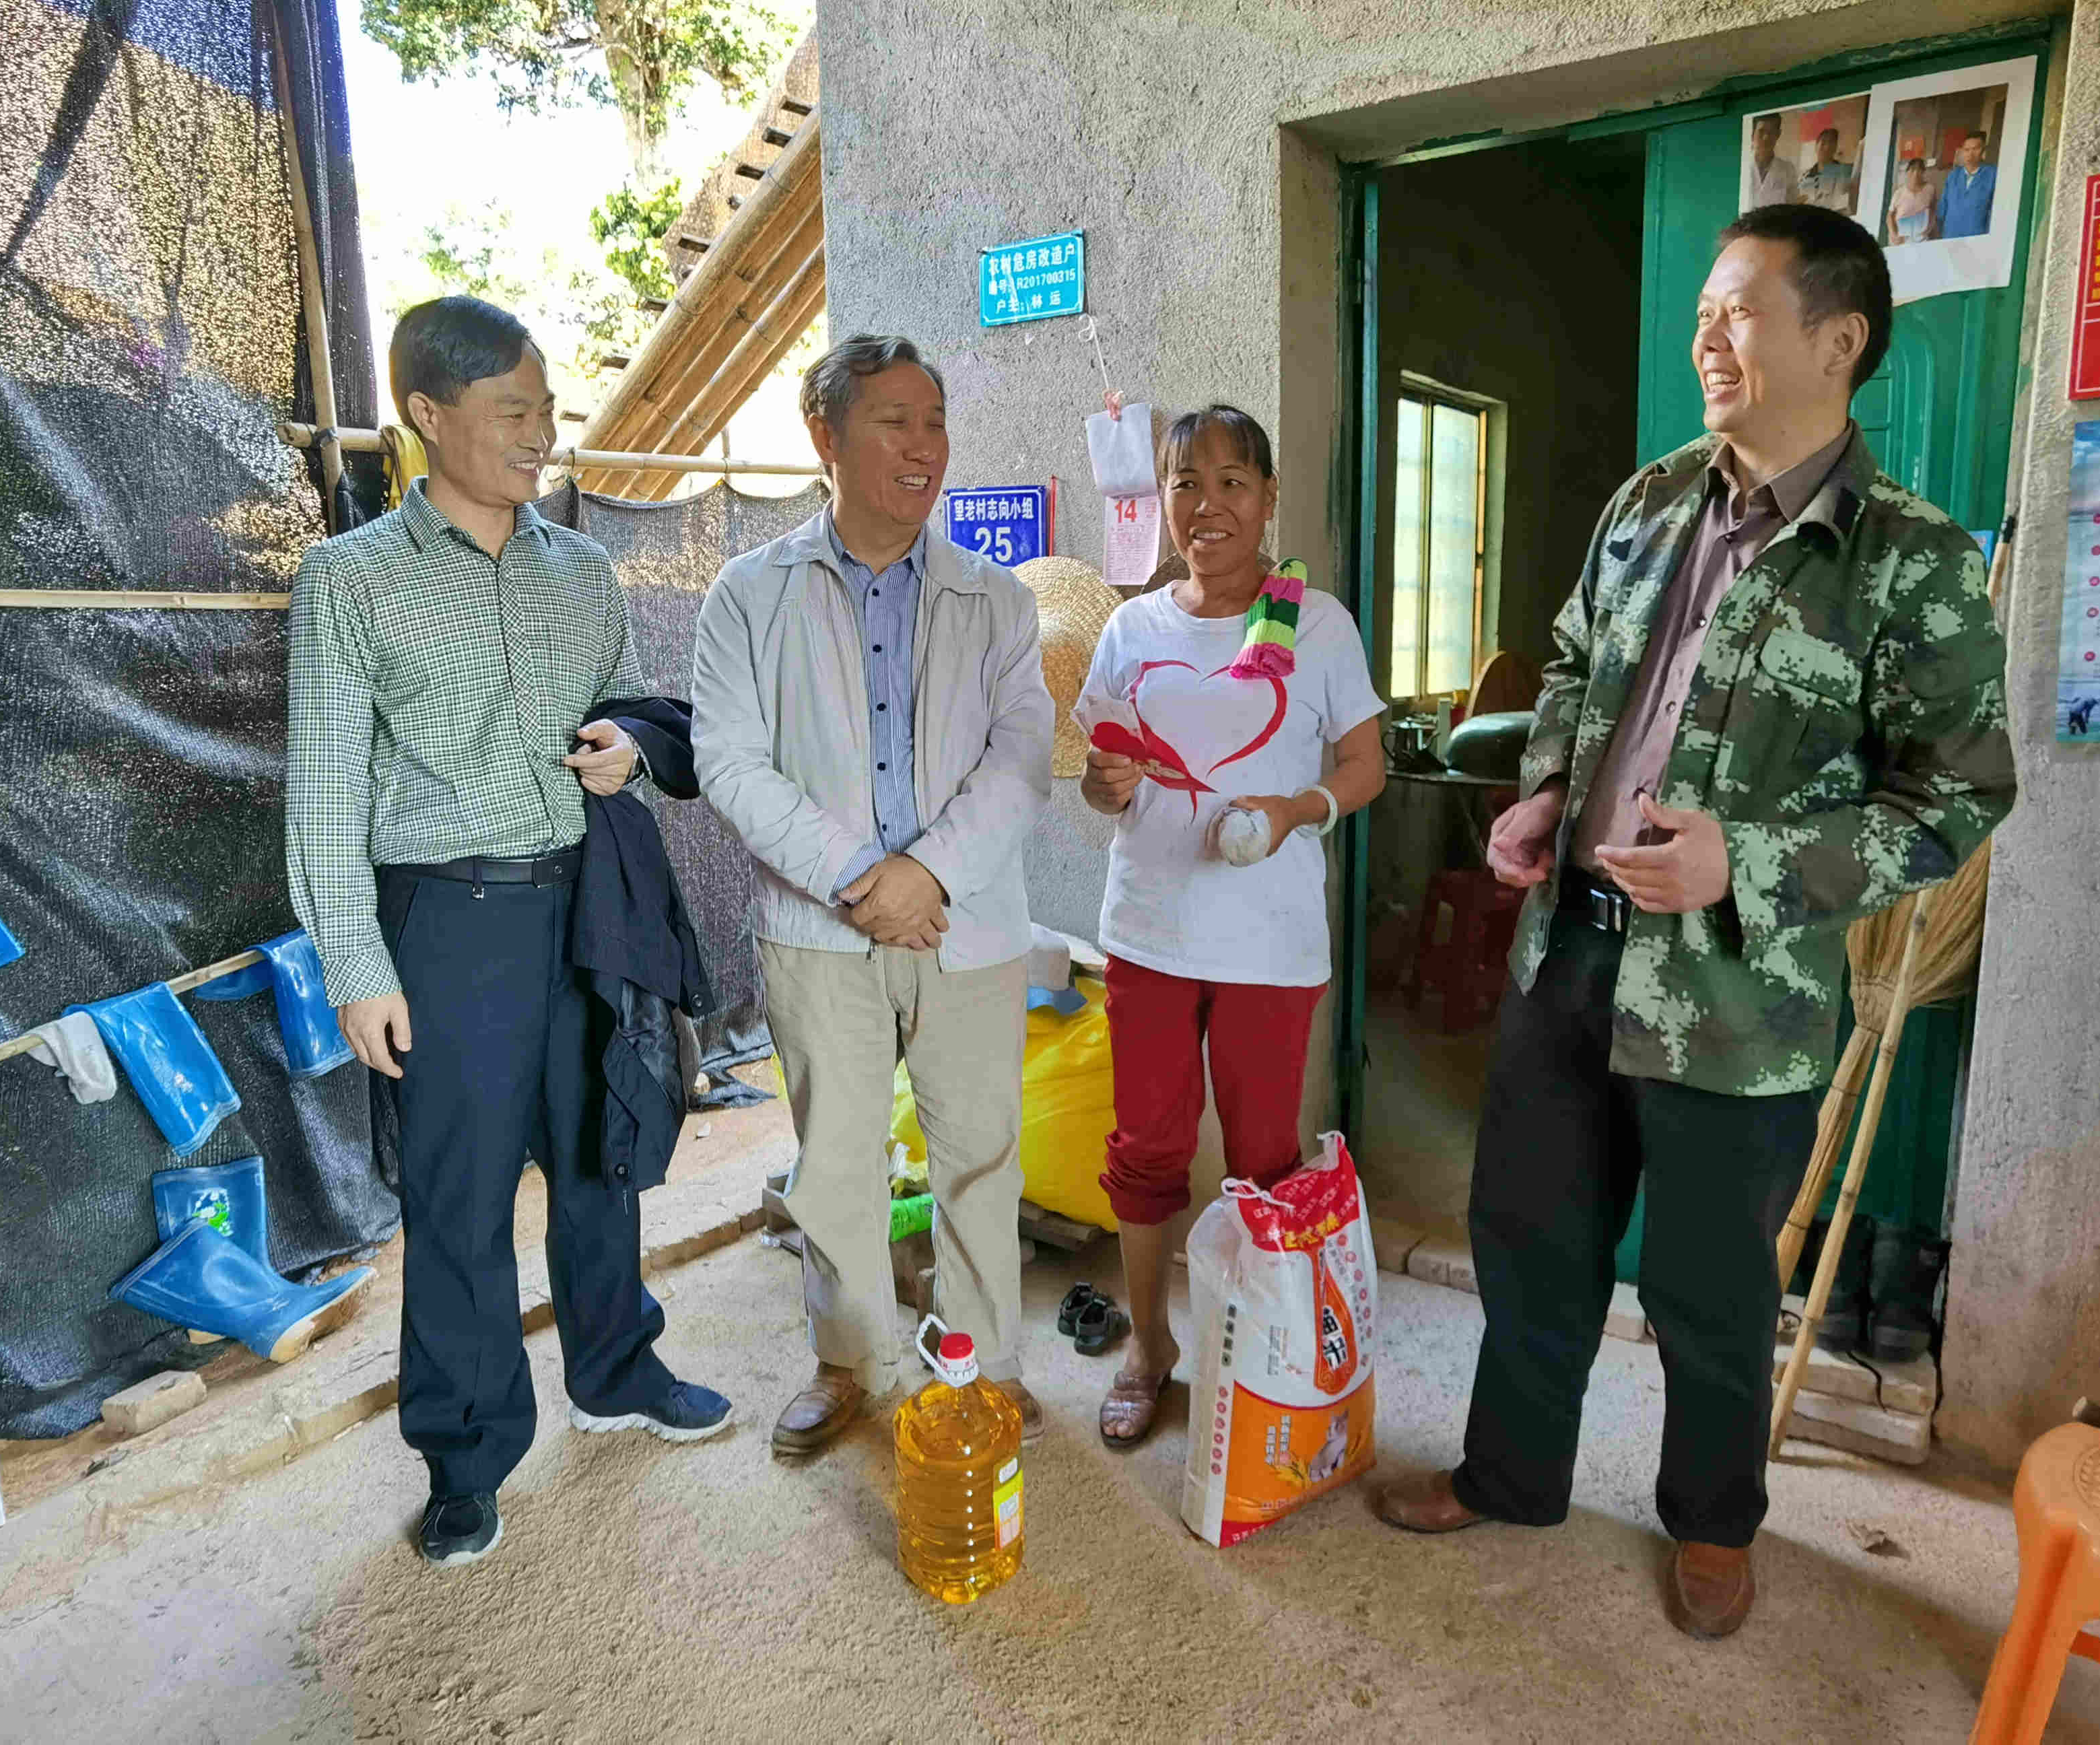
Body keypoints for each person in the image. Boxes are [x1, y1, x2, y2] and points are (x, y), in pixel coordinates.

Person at [1371, 205, 2014, 1643]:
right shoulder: (1651, 499)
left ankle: (1715, 1523)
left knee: (1710, 1289)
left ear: (1838, 341)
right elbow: (1579, 667)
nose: (1704, 337)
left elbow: (1963, 796)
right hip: (1575, 946)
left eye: (1738, 311)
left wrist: (1757, 863)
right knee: (1531, 1231)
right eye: (1705, 312)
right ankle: (1513, 1472)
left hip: (1745, 992)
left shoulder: (1907, 562)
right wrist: (1544, 790)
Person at [287, 296, 731, 1571]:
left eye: (547, 409)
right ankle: (467, 1455)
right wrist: (358, 967)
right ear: (429, 417)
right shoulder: (352, 580)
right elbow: (321, 791)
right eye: (513, 413)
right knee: (460, 1201)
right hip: (447, 923)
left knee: (603, 1151)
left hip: (581, 902)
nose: (542, 434)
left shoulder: (581, 570)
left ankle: (617, 1366)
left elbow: (630, 715)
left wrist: (627, 750)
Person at [691, 335, 1053, 1456]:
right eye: (893, 419)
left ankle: (986, 1363)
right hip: (819, 929)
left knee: (982, 1156)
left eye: (934, 421)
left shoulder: (994, 598)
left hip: (969, 923)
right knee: (838, 1161)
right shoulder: (749, 594)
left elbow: (1023, 750)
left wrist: (929, 873)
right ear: (825, 439)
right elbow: (729, 762)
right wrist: (863, 881)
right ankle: (850, 1360)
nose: (922, 445)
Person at [1074, 407, 1386, 1447]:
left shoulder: (1320, 624)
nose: (1208, 505)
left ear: (1268, 496)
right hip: (1150, 933)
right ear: (1159, 502)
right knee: (1147, 1146)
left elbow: (1364, 766)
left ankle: (1263, 1344)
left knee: (1264, 1154)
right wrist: (1106, 781)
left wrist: (1295, 810)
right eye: (1184, 484)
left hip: (1269, 944)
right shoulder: (1130, 630)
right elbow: (1099, 785)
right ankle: (1149, 1346)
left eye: (1232, 482)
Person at [1936, 130, 1998, 239]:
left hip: (1978, 239)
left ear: (1983, 151)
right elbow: (1943, 207)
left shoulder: (1993, 174)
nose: (1970, 153)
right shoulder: (1953, 176)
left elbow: (1996, 210)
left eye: (1975, 149)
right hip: (1950, 236)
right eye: (1967, 150)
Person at [1740, 112, 1800, 211]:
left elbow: (1793, 208)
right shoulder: (1742, 167)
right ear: (1752, 133)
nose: (1766, 137)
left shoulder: (1788, 169)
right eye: (1761, 131)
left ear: (1778, 135)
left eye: (1771, 132)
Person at [1796, 127, 1856, 213]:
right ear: (1816, 146)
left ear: (1835, 148)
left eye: (1831, 143)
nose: (1827, 147)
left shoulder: (1843, 173)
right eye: (1824, 143)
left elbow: (1842, 208)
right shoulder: (1804, 176)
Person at [1887, 157, 1936, 244]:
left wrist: (1928, 229)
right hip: (1901, 239)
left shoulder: (1930, 189)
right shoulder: (1899, 193)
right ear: (1907, 172)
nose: (1916, 173)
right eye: (1913, 170)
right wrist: (1894, 234)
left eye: (1920, 170)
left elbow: (1933, 211)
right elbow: (1889, 217)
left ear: (1923, 173)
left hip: (1922, 239)